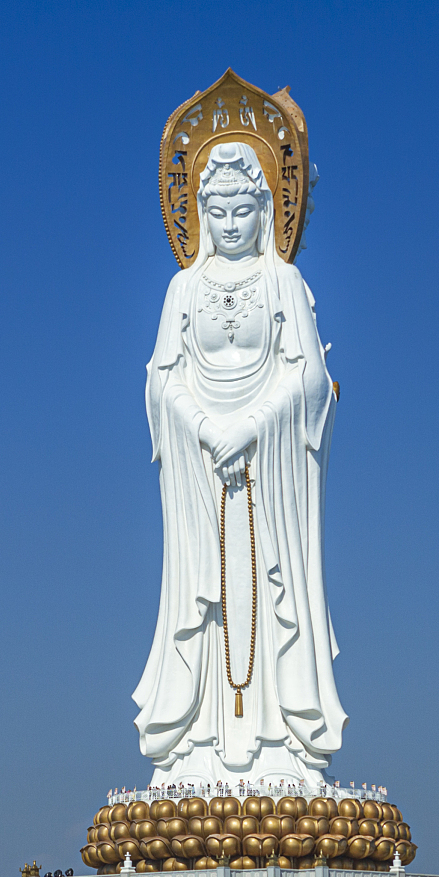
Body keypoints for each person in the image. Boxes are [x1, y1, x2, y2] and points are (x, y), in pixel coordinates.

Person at [133, 142, 346, 796]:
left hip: (268, 465)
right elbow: (160, 380)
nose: (229, 225)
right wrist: (203, 427)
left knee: (270, 591)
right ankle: (198, 743)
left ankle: (280, 741)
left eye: (242, 211)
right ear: (198, 214)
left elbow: (310, 377)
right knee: (206, 601)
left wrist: (251, 427)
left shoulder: (282, 283)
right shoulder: (183, 289)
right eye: (216, 212)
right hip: (202, 469)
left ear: (265, 211)